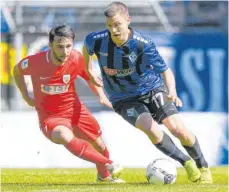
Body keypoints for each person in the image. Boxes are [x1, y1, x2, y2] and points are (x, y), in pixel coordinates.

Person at [83, 1, 213, 184]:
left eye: (117, 24)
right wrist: (89, 70)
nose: (114, 29)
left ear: (128, 20)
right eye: (109, 25)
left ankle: (203, 166)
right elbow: (86, 51)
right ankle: (186, 162)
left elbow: (165, 71)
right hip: (123, 98)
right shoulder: (95, 40)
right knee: (150, 128)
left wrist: (172, 91)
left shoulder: (143, 44)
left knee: (177, 129)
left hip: (151, 89)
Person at [13, 24, 124, 183]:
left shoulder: (76, 58)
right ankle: (108, 164)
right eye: (59, 46)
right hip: (50, 116)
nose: (65, 51)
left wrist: (100, 95)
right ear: (50, 44)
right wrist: (25, 95)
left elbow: (89, 78)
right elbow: (17, 71)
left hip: (75, 110)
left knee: (99, 144)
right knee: (64, 135)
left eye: (68, 46)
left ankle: (104, 177)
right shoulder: (36, 62)